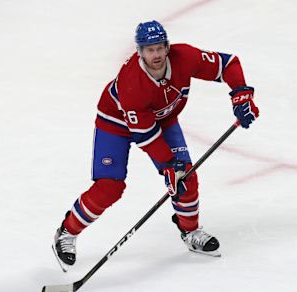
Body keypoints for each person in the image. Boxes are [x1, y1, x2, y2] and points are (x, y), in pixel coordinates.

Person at [52, 20, 259, 272]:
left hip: (162, 119)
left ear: (167, 46)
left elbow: (228, 64)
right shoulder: (132, 83)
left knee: (187, 177)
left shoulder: (184, 56)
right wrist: (168, 166)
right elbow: (146, 135)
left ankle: (190, 232)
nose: (157, 55)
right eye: (150, 50)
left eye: (160, 47)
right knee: (109, 187)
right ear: (140, 51)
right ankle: (67, 233)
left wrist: (241, 93)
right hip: (115, 124)